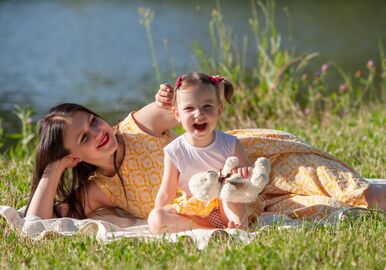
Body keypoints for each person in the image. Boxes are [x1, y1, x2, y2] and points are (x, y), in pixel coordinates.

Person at [25, 81, 386, 226]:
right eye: (84, 138)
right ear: (74, 157)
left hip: (257, 160)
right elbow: (36, 225)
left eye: (93, 121)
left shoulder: (136, 126)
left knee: (352, 190)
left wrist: (167, 97)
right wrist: (52, 170)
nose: (98, 133)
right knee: (325, 209)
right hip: (236, 202)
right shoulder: (101, 189)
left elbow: (184, 105)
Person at [148, 72, 254, 234]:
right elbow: (166, 192)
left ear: (219, 110)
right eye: (189, 108)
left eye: (207, 107)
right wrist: (159, 213)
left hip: (226, 208)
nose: (199, 114)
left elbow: (247, 179)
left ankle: (238, 226)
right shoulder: (174, 151)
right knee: (155, 219)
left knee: (231, 189)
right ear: (177, 114)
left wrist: (244, 172)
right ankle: (206, 230)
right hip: (195, 213)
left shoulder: (230, 144)